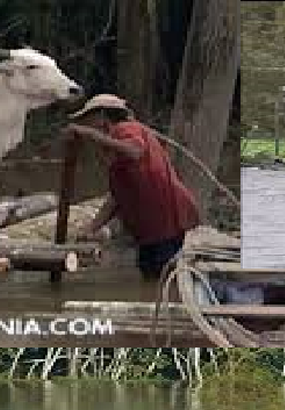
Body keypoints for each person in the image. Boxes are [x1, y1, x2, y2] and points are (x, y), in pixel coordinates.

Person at [65, 94, 201, 281]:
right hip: (151, 226)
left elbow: (135, 151)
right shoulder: (115, 149)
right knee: (150, 275)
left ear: (102, 116)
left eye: (90, 118)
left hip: (167, 218)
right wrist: (91, 229)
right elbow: (116, 197)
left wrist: (92, 135)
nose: (87, 123)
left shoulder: (126, 128)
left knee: (163, 276)